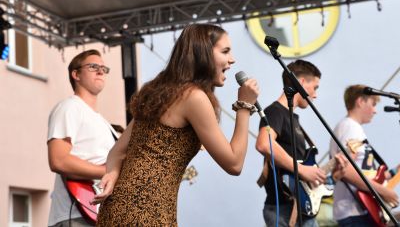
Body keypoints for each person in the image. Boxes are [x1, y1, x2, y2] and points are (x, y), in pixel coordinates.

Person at [92, 23, 259, 226]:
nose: (232, 59)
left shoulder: (158, 92)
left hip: (119, 207)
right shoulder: (193, 97)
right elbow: (234, 163)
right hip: (146, 213)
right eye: (225, 51)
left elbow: (117, 152)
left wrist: (112, 174)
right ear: (203, 53)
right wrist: (244, 106)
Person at [256, 59, 346, 227]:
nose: (316, 95)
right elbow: (264, 144)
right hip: (282, 210)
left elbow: (304, 175)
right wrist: (303, 170)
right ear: (302, 82)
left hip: (303, 209)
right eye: (315, 87)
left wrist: (333, 176)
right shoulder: (275, 111)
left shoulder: (294, 119)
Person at [47, 49, 119, 226]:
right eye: (93, 66)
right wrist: (108, 172)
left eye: (104, 68)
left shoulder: (103, 122)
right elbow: (58, 160)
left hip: (99, 215)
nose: (101, 71)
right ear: (76, 74)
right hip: (74, 215)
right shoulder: (69, 107)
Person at [329, 84, 400, 227]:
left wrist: (398, 170)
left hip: (360, 212)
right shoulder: (351, 128)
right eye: (373, 104)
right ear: (360, 101)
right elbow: (346, 172)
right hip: (354, 213)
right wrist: (383, 192)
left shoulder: (350, 127)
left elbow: (367, 174)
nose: (375, 111)